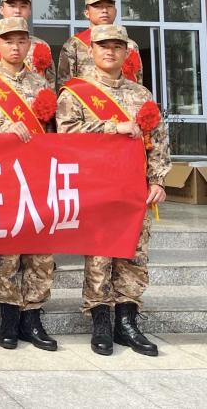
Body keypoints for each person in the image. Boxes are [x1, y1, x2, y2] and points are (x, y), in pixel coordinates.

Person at [56, 24, 168, 357]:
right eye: (103, 45)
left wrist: (158, 179)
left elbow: (157, 139)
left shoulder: (141, 95)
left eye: (117, 46)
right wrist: (112, 127)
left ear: (126, 52)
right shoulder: (75, 92)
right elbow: (65, 133)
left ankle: (127, 322)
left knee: (133, 253)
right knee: (99, 255)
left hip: (134, 189)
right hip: (95, 186)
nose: (110, 51)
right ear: (91, 50)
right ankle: (101, 322)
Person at [0, 17, 58, 352]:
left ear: (29, 45)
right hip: (3, 175)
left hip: (38, 175)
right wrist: (2, 129)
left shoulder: (42, 85)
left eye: (21, 41)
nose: (15, 47)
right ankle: (8, 318)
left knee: (40, 250)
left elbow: (57, 131)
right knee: (8, 251)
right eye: (8, 41)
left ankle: (33, 317)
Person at [58, 0, 143, 85]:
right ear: (87, 13)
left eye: (109, 6)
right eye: (98, 6)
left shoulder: (130, 45)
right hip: (88, 94)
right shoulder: (74, 44)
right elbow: (65, 83)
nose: (104, 10)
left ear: (115, 11)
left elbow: (138, 81)